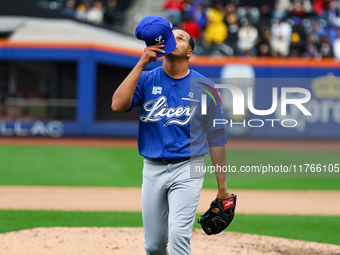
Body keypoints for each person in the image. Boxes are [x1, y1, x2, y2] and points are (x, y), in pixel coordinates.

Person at [111, 16, 232, 255]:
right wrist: (141, 64)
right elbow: (117, 105)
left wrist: (222, 188)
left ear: (190, 52)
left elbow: (217, 139)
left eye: (181, 37)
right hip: (153, 167)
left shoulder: (206, 87)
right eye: (172, 36)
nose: (175, 40)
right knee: (154, 246)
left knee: (178, 237)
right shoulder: (146, 79)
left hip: (189, 167)